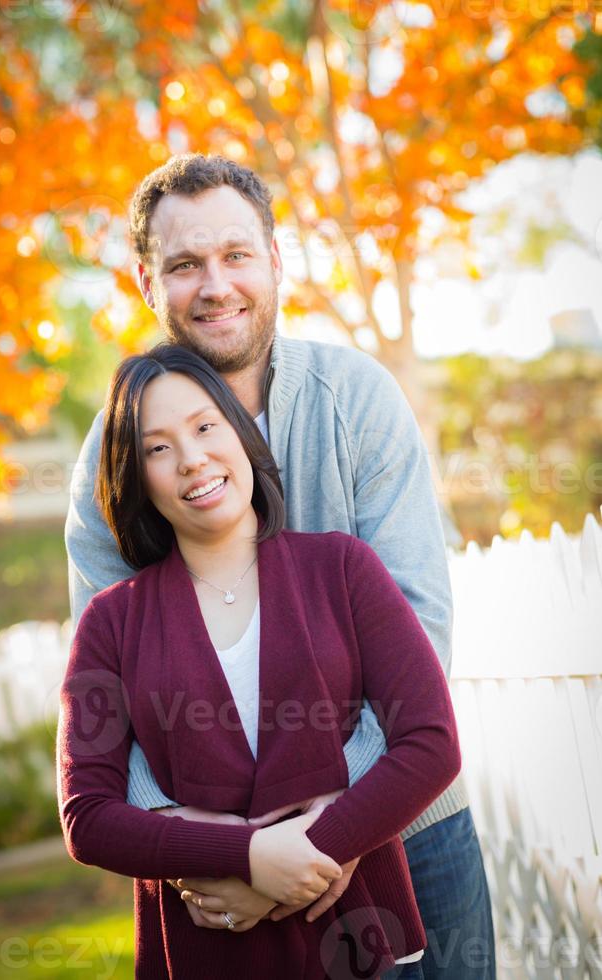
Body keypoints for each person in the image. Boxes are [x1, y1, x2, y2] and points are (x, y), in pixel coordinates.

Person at [65, 154, 496, 977]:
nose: (215, 285)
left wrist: (322, 832)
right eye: (184, 264)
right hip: (216, 873)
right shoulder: (111, 463)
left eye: (235, 255)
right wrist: (239, 852)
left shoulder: (357, 399)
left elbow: (421, 625)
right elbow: (113, 700)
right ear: (146, 283)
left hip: (412, 820)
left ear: (276, 260)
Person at [58, 343, 462, 979]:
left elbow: (430, 744)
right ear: (136, 477)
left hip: (354, 934)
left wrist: (299, 858)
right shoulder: (111, 622)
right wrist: (246, 855)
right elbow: (87, 814)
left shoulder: (344, 568)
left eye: (204, 427)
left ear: (242, 434)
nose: (192, 460)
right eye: (158, 448)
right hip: (211, 943)